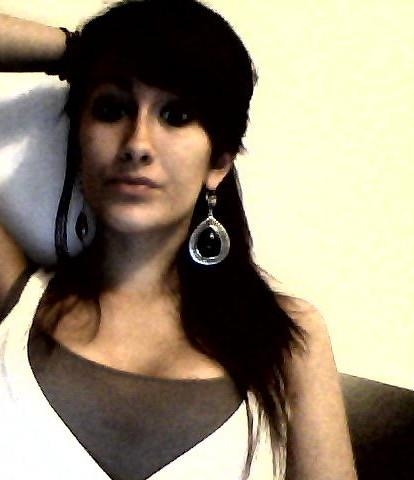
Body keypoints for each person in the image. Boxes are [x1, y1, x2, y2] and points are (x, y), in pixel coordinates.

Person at [0, 1, 357, 479]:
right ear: (79, 144)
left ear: (219, 163)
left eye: (176, 114)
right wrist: (80, 52)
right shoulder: (14, 300)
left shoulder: (290, 339)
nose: (137, 143)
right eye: (111, 109)